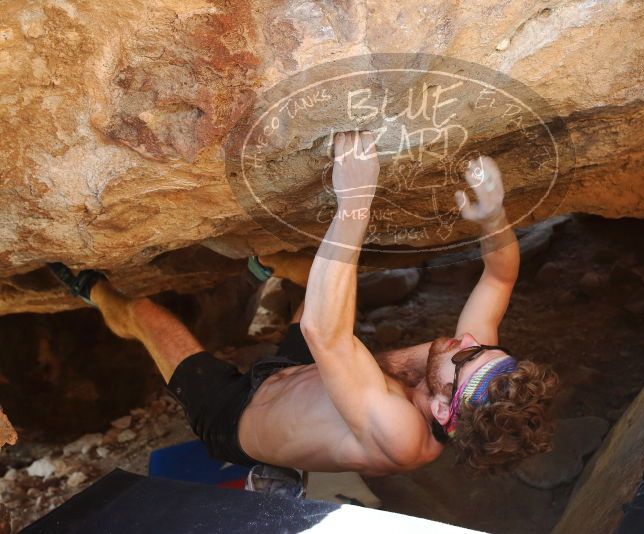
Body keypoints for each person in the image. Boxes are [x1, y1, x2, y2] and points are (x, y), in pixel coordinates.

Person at [49, 131, 557, 476]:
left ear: (445, 409)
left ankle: (86, 285)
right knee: (323, 279)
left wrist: (355, 201)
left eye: (468, 356)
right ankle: (265, 273)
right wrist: (493, 218)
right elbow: (500, 274)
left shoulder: (402, 437)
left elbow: (326, 333)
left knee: (146, 314)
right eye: (485, 348)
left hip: (236, 416)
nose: (469, 341)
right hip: (302, 371)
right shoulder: (469, 377)